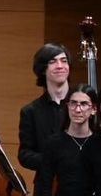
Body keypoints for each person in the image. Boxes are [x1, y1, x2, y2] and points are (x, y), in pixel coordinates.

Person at [18, 43, 72, 174]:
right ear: (43, 69)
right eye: (53, 62)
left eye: (64, 61)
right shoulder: (30, 111)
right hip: (46, 186)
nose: (60, 66)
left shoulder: (82, 104)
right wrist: (52, 161)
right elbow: (25, 155)